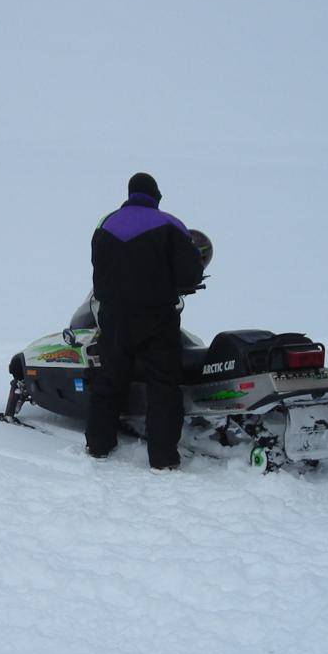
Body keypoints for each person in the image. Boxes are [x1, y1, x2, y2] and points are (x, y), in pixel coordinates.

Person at [85, 172, 204, 469]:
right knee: (163, 385)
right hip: (157, 317)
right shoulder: (170, 224)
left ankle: (99, 446)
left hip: (113, 316)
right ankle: (162, 458)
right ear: (156, 196)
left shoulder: (106, 223)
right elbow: (191, 273)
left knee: (110, 379)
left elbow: (97, 265)